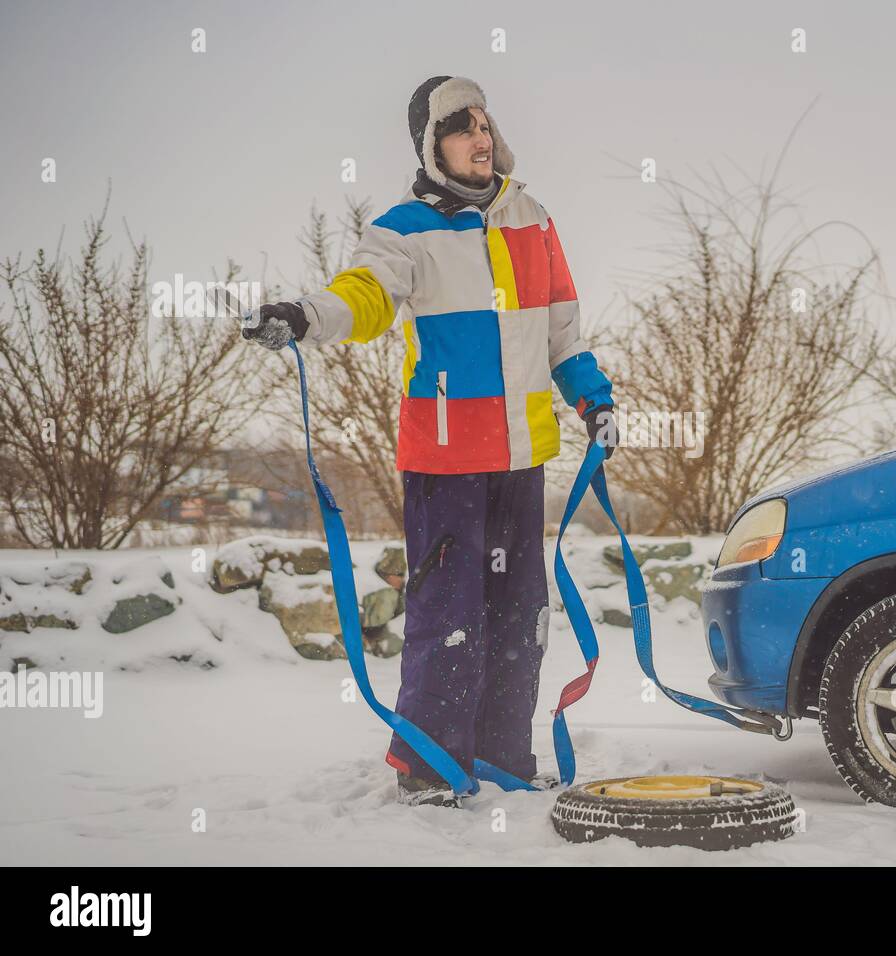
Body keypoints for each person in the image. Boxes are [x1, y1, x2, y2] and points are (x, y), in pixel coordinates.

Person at [242, 75, 618, 807]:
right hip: (445, 461)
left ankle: (503, 756)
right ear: (432, 145)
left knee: (520, 615)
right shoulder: (404, 228)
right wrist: (304, 316)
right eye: (460, 127)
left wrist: (593, 399)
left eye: (484, 123)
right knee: (450, 615)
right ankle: (430, 767)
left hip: (520, 456)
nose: (480, 137)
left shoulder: (533, 218)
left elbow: (562, 331)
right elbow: (366, 296)